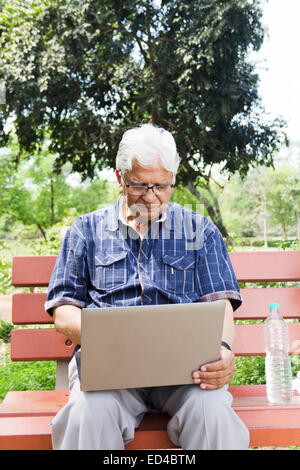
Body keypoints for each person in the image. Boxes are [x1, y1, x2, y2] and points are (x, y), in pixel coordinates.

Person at [45, 123, 249, 450]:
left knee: (211, 413)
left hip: (186, 372)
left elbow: (221, 303)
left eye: (162, 185)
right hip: (109, 373)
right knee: (88, 413)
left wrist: (223, 350)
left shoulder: (200, 231)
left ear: (173, 179)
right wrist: (120, 337)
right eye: (140, 185)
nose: (152, 197)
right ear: (120, 177)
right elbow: (64, 312)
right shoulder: (85, 231)